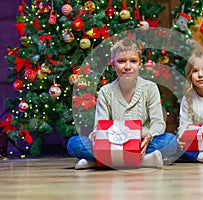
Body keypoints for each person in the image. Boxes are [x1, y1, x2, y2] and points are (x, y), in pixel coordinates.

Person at [67, 38, 178, 169]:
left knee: (170, 141)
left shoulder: (150, 88)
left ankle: (100, 162)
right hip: (112, 143)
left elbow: (158, 122)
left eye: (133, 61)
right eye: (121, 61)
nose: (127, 66)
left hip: (140, 143)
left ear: (140, 64)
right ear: (113, 65)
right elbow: (99, 124)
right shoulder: (106, 91)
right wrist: (96, 135)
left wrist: (149, 135)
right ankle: (144, 161)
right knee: (74, 143)